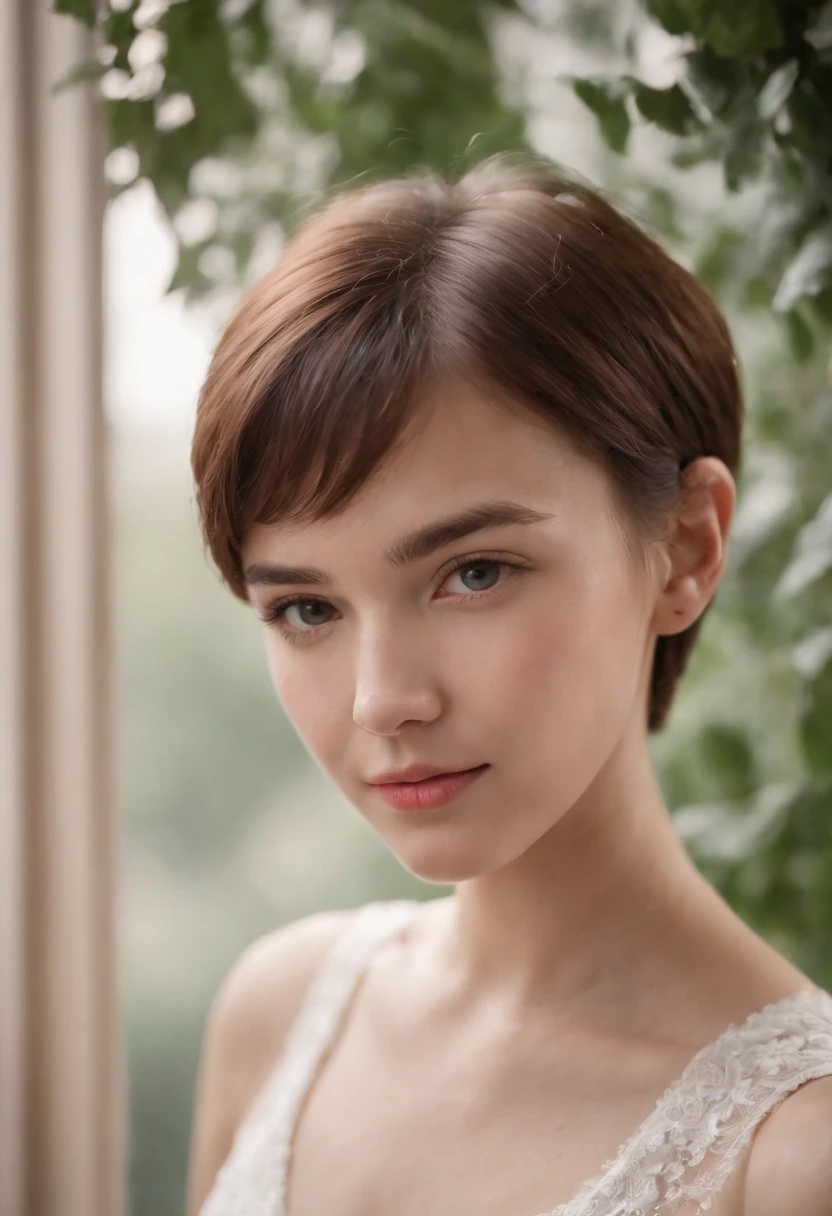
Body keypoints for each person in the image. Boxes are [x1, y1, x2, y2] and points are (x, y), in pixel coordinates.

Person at [185, 153, 832, 1216]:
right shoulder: (279, 1015)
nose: (381, 700)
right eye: (308, 608)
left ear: (685, 546)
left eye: (472, 574)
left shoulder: (794, 1158)